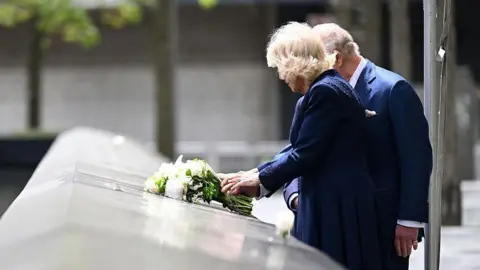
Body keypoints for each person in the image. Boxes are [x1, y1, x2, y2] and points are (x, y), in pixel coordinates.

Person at [221, 21, 383, 270]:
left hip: (337, 204)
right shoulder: (327, 88)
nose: (281, 77)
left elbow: (305, 153)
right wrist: (254, 174)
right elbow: (300, 147)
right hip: (336, 200)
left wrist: (261, 181)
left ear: (294, 64)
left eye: (281, 69)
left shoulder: (324, 92)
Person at [283, 23, 433, 270]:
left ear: (337, 59)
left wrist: (409, 219)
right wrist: (296, 196)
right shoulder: (314, 94)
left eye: (314, 58)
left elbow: (416, 158)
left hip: (379, 225)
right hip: (320, 223)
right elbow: (300, 150)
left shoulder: (393, 89)